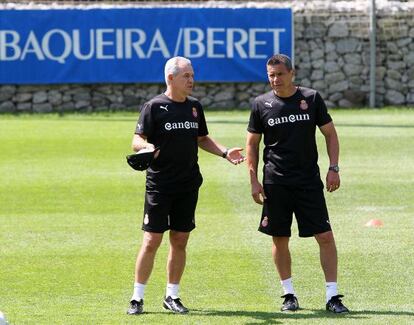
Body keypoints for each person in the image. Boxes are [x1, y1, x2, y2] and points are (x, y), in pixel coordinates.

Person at [127, 56, 245, 315]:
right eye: (186, 76)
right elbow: (137, 139)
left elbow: (202, 138)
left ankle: (172, 295)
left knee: (180, 239)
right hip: (160, 184)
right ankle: (137, 297)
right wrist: (145, 146)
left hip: (188, 184)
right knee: (151, 240)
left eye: (192, 75)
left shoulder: (194, 107)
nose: (192, 80)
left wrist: (225, 153)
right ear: (171, 78)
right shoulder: (154, 107)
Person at [246, 54, 349, 314]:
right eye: (271, 75)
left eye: (280, 74)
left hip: (308, 182)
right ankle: (288, 294)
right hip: (276, 182)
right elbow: (252, 144)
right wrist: (254, 180)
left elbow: (330, 134)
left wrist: (333, 168)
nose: (275, 80)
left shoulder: (311, 99)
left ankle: (332, 296)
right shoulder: (261, 104)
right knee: (280, 238)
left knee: (324, 236)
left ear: (292, 73)